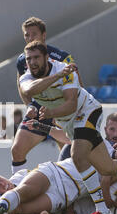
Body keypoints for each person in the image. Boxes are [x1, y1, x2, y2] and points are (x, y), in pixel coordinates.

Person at [0, 40, 117, 214]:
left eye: (36, 58)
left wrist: (51, 110)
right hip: (70, 124)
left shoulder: (66, 70)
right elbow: (28, 91)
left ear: (47, 58)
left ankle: (102, 209)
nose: (32, 62)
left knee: (78, 155)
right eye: (29, 59)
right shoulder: (29, 76)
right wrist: (53, 86)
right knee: (107, 167)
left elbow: (71, 104)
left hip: (88, 111)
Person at [12, 17, 77, 174]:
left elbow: (77, 88)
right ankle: (18, 193)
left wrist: (58, 113)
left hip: (62, 112)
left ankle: (69, 192)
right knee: (17, 150)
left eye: (34, 34)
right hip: (39, 110)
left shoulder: (62, 57)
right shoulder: (22, 60)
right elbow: (22, 87)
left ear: (44, 35)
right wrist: (30, 106)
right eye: (26, 35)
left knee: (69, 157)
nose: (29, 38)